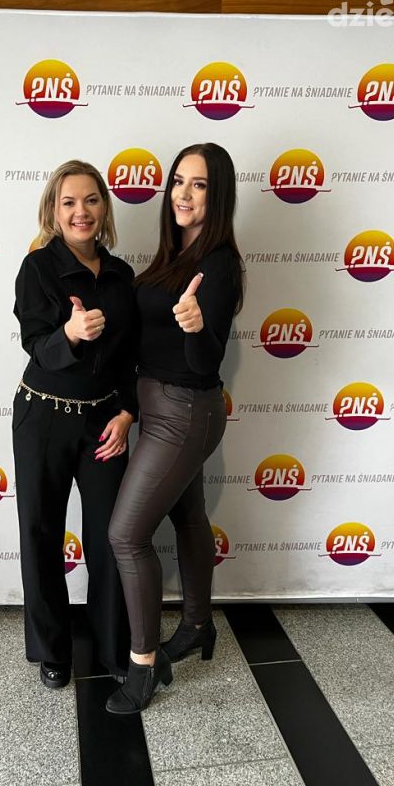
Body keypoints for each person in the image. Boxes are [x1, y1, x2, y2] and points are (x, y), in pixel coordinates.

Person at [106, 143, 244, 714]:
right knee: (188, 517)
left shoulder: (220, 264)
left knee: (126, 535)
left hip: (185, 411)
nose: (183, 194)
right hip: (163, 409)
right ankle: (197, 627)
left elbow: (206, 361)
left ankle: (144, 665)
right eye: (179, 181)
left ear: (219, 195)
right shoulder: (173, 255)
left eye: (200, 185)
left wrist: (194, 325)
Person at [12, 160, 136, 689]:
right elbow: (36, 345)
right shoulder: (37, 267)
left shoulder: (122, 274)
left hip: (104, 422)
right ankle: (52, 650)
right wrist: (70, 333)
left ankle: (114, 647)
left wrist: (128, 412)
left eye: (90, 200)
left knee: (111, 537)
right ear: (53, 211)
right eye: (68, 202)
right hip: (43, 417)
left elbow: (132, 355)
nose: (80, 211)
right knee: (41, 532)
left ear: (104, 207)